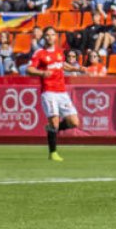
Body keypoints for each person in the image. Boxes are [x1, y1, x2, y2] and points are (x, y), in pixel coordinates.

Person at [26, 27, 84, 162]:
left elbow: (61, 64)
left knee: (74, 122)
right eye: (47, 35)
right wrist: (41, 73)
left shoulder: (59, 52)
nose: (50, 37)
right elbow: (29, 69)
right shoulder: (39, 53)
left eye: (52, 34)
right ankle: (53, 153)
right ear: (44, 38)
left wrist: (75, 68)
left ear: (56, 37)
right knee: (55, 122)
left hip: (61, 92)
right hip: (49, 91)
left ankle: (51, 129)